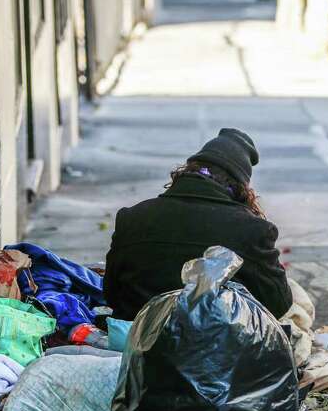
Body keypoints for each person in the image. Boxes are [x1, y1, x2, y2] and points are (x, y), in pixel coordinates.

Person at [104, 128, 292, 321]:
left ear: (187, 172)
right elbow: (279, 304)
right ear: (240, 188)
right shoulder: (253, 230)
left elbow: (111, 294)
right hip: (218, 345)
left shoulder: (132, 217)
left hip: (137, 341)